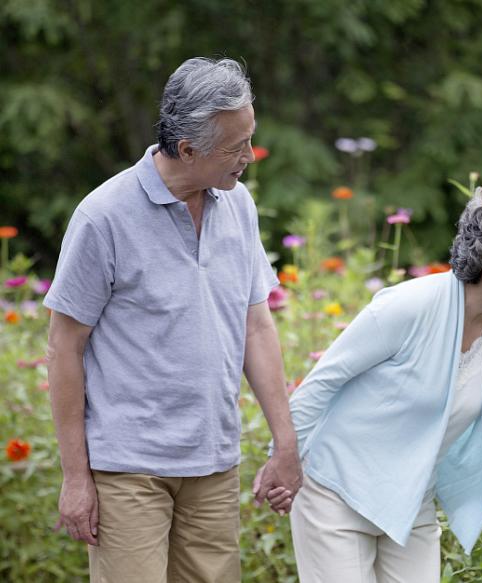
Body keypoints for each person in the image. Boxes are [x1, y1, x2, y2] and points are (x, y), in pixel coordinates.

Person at [44, 57, 301, 582]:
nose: (249, 157)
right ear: (187, 150)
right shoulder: (103, 216)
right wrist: (76, 477)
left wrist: (286, 441)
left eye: (250, 139)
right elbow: (64, 347)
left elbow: (255, 325)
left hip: (213, 462)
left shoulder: (239, 205)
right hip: (127, 469)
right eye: (236, 147)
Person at [282, 182, 482, 582]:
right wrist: (281, 460)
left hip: (410, 501)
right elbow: (321, 382)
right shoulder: (410, 304)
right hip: (336, 493)